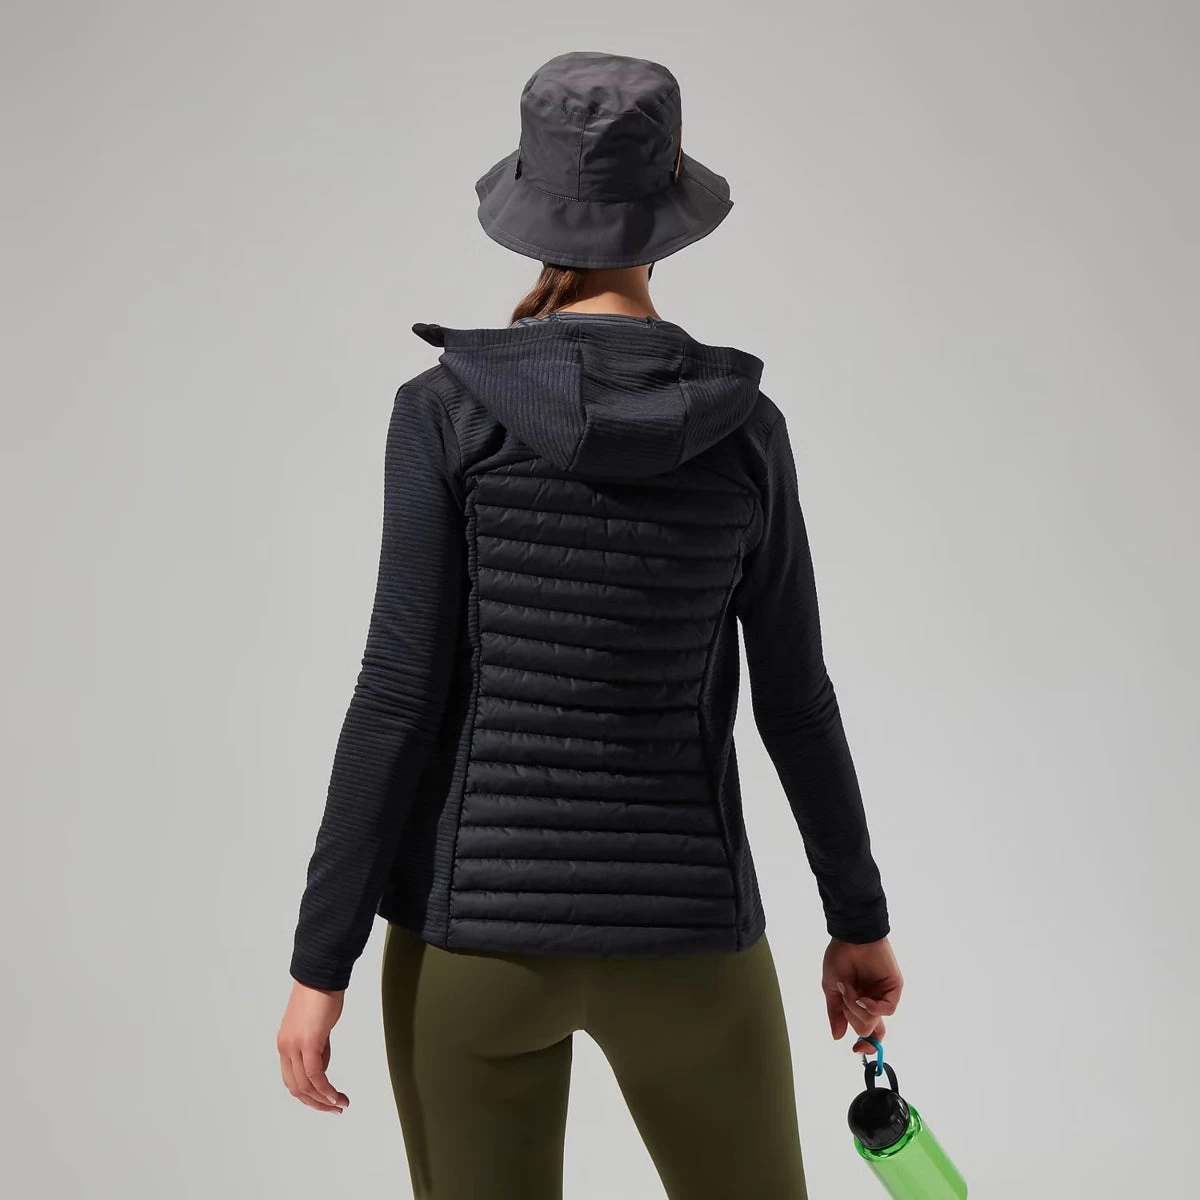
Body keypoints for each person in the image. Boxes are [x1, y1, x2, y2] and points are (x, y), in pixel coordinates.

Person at [277, 49, 903, 1200]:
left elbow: (397, 699)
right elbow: (796, 700)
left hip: (474, 943)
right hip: (690, 938)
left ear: (532, 213)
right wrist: (857, 922)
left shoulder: (443, 415)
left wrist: (323, 963)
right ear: (667, 214)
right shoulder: (745, 428)